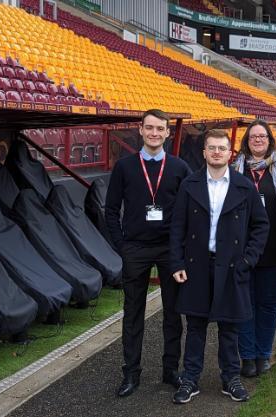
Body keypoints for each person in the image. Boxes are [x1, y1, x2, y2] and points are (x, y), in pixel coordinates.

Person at [170, 129, 269, 404]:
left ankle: (230, 378)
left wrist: (248, 260)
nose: (216, 152)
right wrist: (176, 262)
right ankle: (190, 378)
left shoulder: (244, 186)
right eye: (211, 148)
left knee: (230, 327)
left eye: (221, 148)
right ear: (204, 152)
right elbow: (177, 227)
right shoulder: (189, 184)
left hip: (232, 266)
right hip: (196, 266)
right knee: (196, 326)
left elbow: (261, 226)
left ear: (230, 153)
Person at [105, 109, 191, 397]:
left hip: (169, 249)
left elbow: (190, 210)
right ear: (140, 130)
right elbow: (110, 209)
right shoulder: (125, 166)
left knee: (173, 313)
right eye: (150, 128)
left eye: (160, 129)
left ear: (168, 133)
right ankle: (130, 373)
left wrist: (182, 248)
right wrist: (122, 246)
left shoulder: (179, 167)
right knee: (133, 314)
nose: (155, 133)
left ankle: (171, 370)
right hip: (136, 249)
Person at [231, 120, 276, 377]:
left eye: (262, 136)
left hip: (274, 251)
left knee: (268, 305)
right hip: (242, 252)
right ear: (246, 140)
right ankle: (247, 357)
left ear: (269, 140)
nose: (257, 140)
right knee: (244, 306)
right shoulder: (234, 170)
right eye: (253, 136)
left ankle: (264, 354)